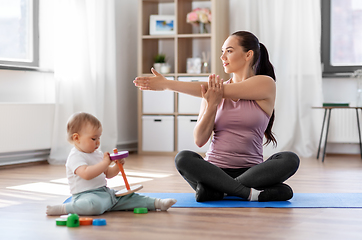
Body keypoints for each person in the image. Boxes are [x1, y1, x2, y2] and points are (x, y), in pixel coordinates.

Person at [133, 31, 300, 202]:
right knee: (183, 158)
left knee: (289, 159)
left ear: (248, 55)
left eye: (229, 51)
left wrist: (167, 84)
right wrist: (212, 105)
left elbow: (216, 90)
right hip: (213, 171)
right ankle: (247, 192)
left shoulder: (265, 83)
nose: (222, 57)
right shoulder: (210, 95)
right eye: (222, 51)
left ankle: (220, 190)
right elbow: (199, 140)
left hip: (252, 171)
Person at [46, 112, 176, 216]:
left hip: (105, 192)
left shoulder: (97, 153)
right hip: (86, 196)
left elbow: (107, 174)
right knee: (93, 206)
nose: (97, 142)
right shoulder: (75, 157)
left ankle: (158, 203)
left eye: (99, 138)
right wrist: (104, 163)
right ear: (76, 138)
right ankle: (63, 208)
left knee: (129, 197)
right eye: (93, 138)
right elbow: (86, 174)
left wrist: (117, 166)